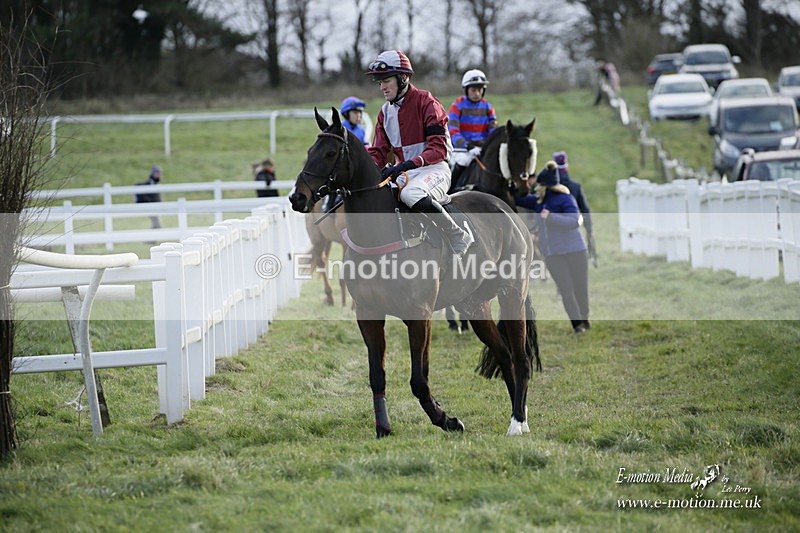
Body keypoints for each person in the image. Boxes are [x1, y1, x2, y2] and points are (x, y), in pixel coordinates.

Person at [365, 50, 473, 257]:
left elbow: (439, 149)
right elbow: (378, 152)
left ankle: (457, 234)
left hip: (434, 170)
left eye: (386, 80)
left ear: (403, 78)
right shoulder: (384, 113)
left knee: (410, 193)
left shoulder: (427, 102)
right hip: (404, 175)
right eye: (379, 82)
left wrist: (407, 165)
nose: (382, 87)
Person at [516, 161, 590, 334]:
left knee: (580, 288)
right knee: (566, 290)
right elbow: (520, 199)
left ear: (545, 187)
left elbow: (574, 221)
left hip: (576, 251)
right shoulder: (540, 201)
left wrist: (551, 217)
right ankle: (577, 325)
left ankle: (585, 319)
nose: (536, 188)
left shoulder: (566, 198)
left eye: (538, 185)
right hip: (553, 254)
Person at [447, 69, 497, 188]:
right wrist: (467, 146)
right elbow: (453, 131)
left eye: (480, 90)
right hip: (462, 150)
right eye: (473, 90)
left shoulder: (489, 108)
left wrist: (486, 146)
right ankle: (449, 190)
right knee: (462, 162)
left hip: (482, 149)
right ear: (466, 90)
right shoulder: (457, 106)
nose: (477, 93)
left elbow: (493, 131)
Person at [552, 150, 596, 266]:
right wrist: (589, 228)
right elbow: (585, 210)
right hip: (574, 228)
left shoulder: (549, 189)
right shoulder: (576, 187)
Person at [135, 165, 162, 229]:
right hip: (152, 208)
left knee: (156, 225)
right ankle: (150, 238)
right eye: (158, 173)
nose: (159, 175)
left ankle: (151, 238)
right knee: (157, 225)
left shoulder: (154, 183)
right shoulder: (151, 183)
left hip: (153, 208)